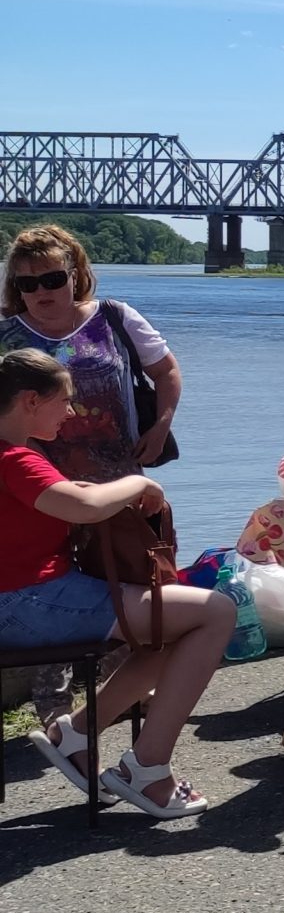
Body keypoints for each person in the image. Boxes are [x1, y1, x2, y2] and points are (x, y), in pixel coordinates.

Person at [4, 349, 231, 817]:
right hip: (31, 603)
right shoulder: (15, 458)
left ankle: (78, 732)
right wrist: (139, 483)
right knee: (215, 612)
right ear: (30, 400)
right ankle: (148, 769)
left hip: (23, 602)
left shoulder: (17, 456)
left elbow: (61, 498)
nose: (70, 412)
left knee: (174, 628)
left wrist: (93, 492)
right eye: (63, 400)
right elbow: (84, 508)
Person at [2, 224, 183, 727]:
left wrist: (160, 427)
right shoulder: (6, 336)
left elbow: (166, 372)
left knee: (133, 585)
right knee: (54, 590)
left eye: (52, 279)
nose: (41, 292)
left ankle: (126, 702)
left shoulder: (115, 317)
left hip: (119, 484)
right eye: (27, 283)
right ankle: (57, 718)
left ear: (76, 273)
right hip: (41, 492)